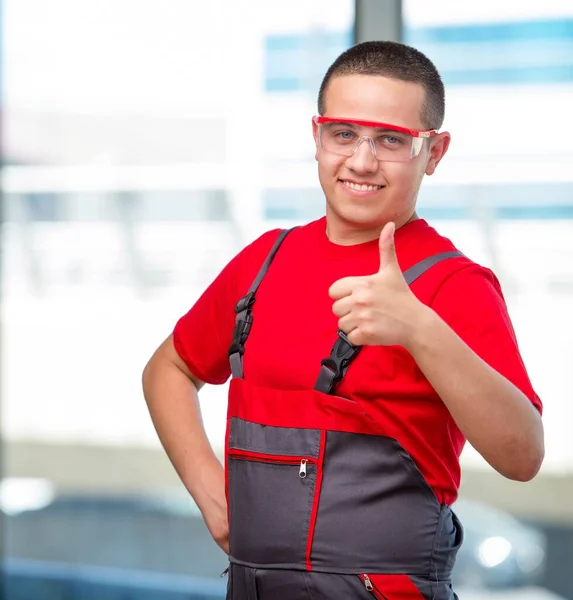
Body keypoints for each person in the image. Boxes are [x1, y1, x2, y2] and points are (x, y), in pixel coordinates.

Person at [142, 40, 544, 600]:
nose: (360, 160)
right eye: (344, 134)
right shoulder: (264, 262)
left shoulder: (455, 285)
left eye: (391, 140)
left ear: (434, 151)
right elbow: (167, 369)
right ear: (317, 136)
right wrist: (209, 489)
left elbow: (523, 455)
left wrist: (418, 328)